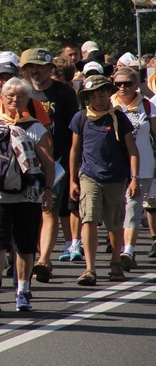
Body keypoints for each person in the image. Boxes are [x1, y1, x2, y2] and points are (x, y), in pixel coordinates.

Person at [0, 78, 54, 313]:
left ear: (28, 100)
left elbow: (48, 162)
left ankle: (23, 291)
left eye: (20, 96)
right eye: (10, 96)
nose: (14, 100)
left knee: (25, 246)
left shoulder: (36, 127)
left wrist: (47, 189)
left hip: (28, 196)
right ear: (1, 98)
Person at [70, 75, 140, 285]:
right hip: (89, 176)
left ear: (109, 93)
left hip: (116, 178)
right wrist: (72, 181)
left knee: (114, 223)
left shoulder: (118, 118)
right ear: (87, 98)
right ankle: (90, 269)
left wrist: (134, 178)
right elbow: (75, 150)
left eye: (101, 93)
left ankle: (115, 262)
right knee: (89, 219)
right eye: (93, 94)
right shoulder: (81, 118)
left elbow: (132, 151)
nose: (98, 98)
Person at [20, 48, 80, 282]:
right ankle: (29, 255)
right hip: (24, 163)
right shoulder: (21, 93)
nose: (35, 71)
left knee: (49, 209)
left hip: (56, 162)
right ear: (24, 70)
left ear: (49, 69)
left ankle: (44, 259)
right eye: (30, 67)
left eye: (40, 66)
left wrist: (74, 168)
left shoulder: (64, 93)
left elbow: (75, 130)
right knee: (29, 211)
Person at [110, 67, 156, 271]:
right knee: (116, 212)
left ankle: (128, 250)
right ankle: (120, 249)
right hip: (114, 169)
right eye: (118, 84)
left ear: (137, 85)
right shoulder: (108, 105)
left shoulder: (148, 106)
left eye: (127, 83)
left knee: (133, 209)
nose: (122, 87)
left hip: (143, 167)